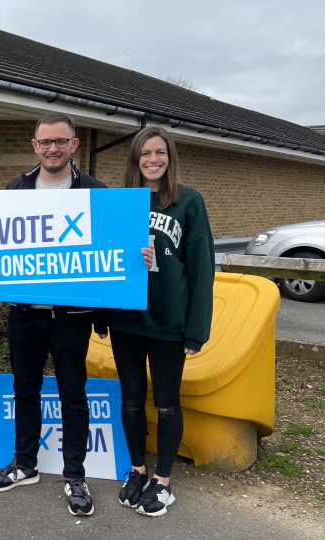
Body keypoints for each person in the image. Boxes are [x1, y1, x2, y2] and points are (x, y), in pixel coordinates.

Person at [0, 112, 110, 517]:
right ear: (35, 146)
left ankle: (75, 475)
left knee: (72, 393)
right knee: (25, 390)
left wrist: (140, 258)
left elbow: (111, 252)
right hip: (24, 314)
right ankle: (25, 465)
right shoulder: (16, 190)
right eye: (45, 142)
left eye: (60, 141)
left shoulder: (94, 192)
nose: (52, 148)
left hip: (72, 315)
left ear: (73, 145)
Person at [98, 126, 214, 517]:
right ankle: (137, 470)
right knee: (130, 401)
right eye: (145, 153)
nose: (152, 160)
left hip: (168, 321)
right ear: (135, 159)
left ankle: (163, 481)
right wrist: (101, 312)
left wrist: (196, 329)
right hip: (127, 321)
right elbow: (99, 261)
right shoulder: (120, 203)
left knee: (166, 404)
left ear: (170, 157)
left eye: (159, 152)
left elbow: (201, 270)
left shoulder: (189, 203)